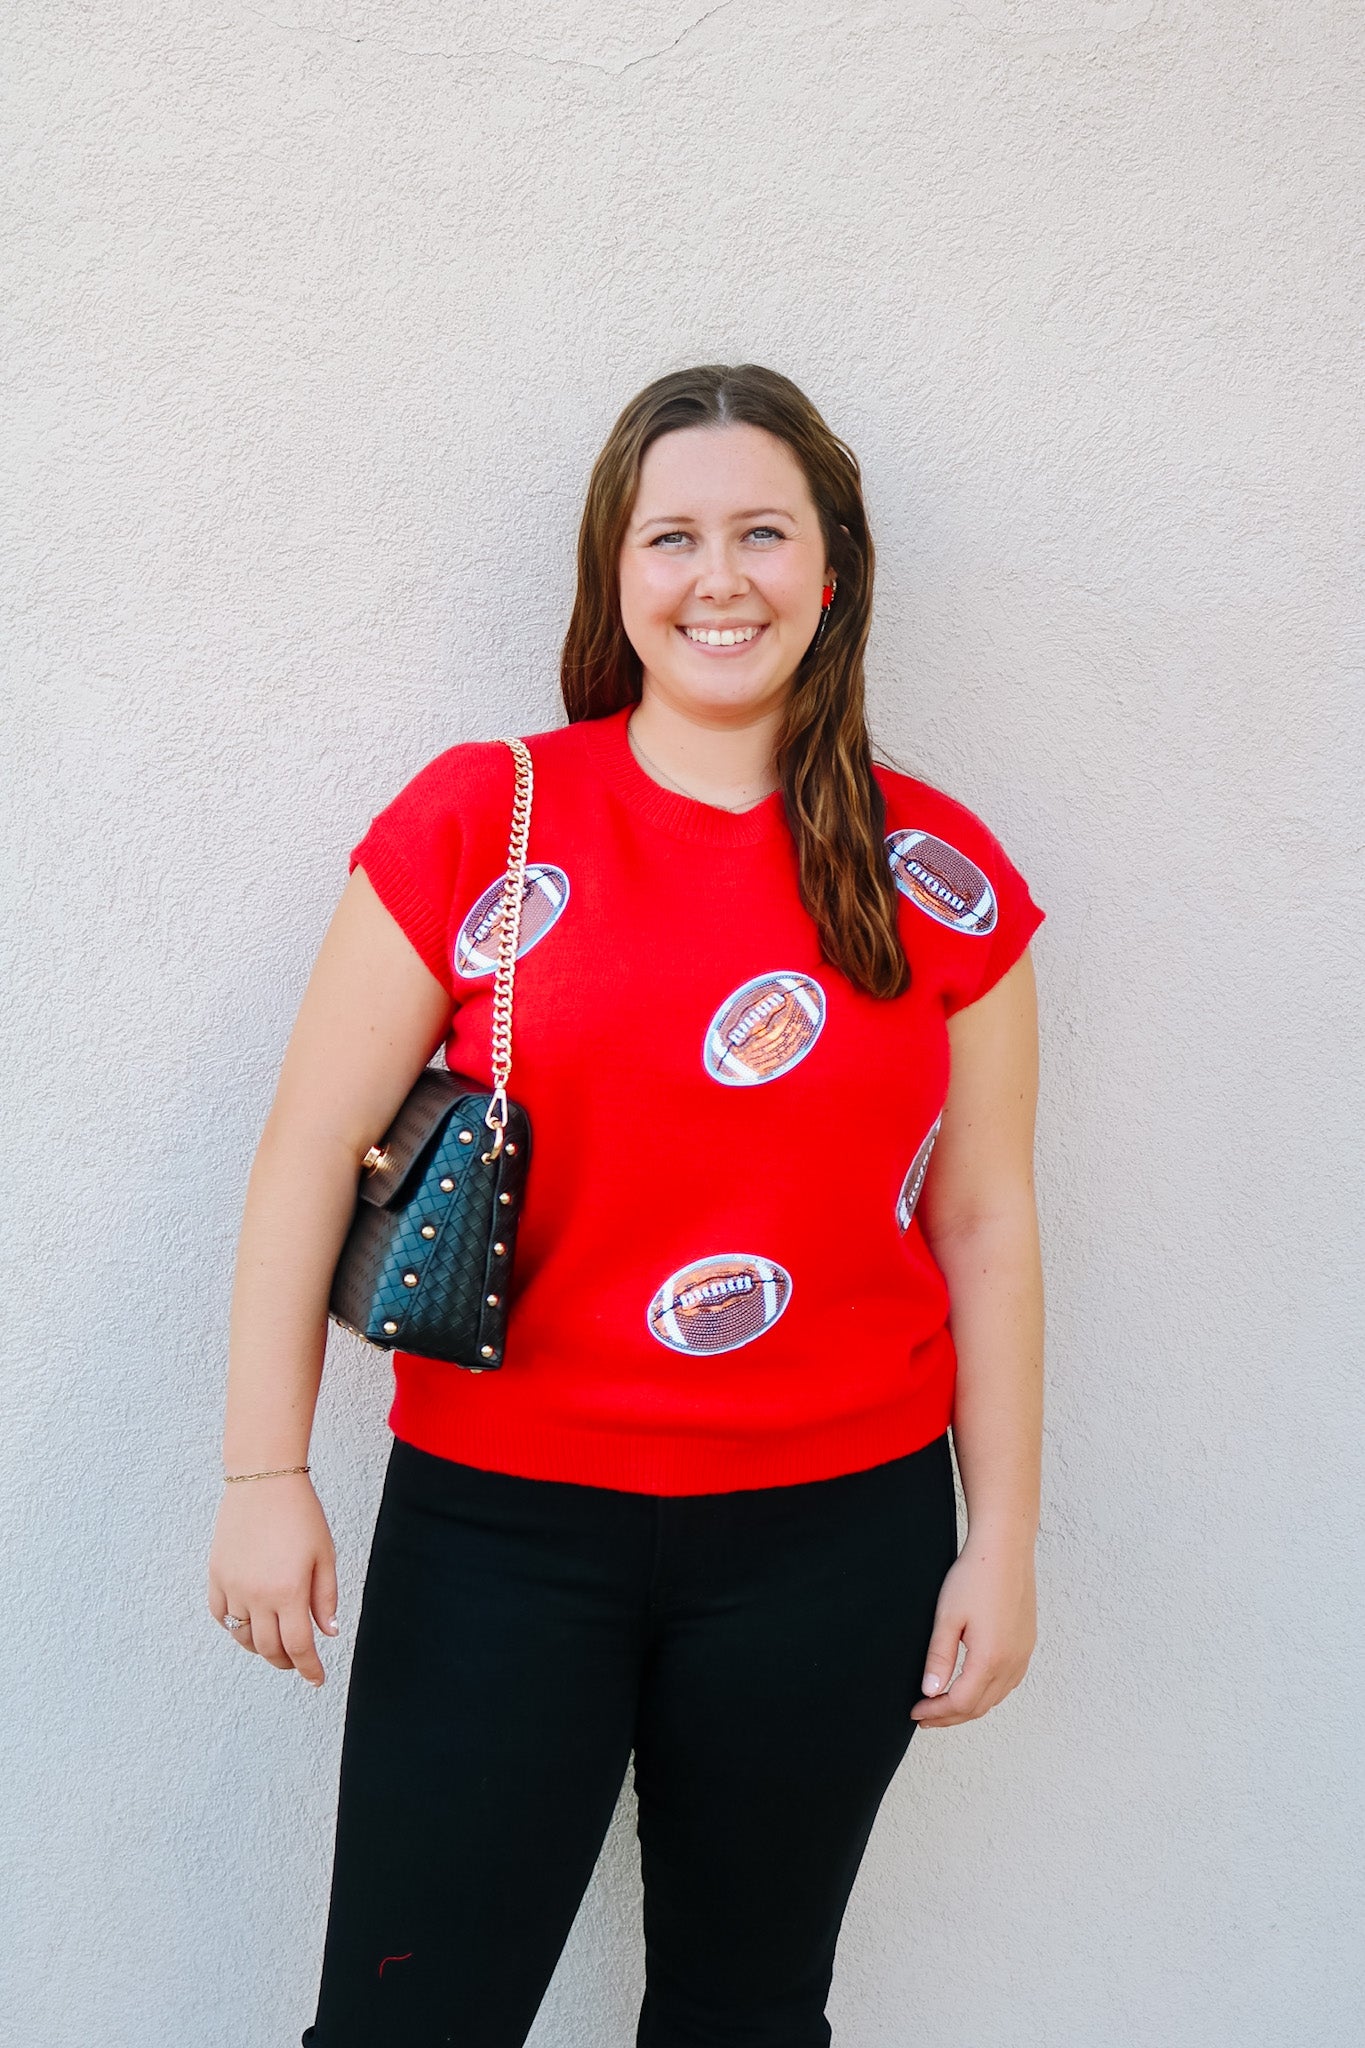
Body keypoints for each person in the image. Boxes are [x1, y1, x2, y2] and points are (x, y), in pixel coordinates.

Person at [207, 362, 1047, 2048]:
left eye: (761, 532)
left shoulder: (933, 873)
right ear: (615, 571)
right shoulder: (482, 817)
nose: (716, 577)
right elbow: (308, 1143)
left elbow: (986, 1223)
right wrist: (263, 1471)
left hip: (838, 1540)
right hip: (499, 1530)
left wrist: (1004, 1537)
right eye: (672, 536)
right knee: (404, 2023)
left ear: (833, 568)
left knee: (745, 2020)